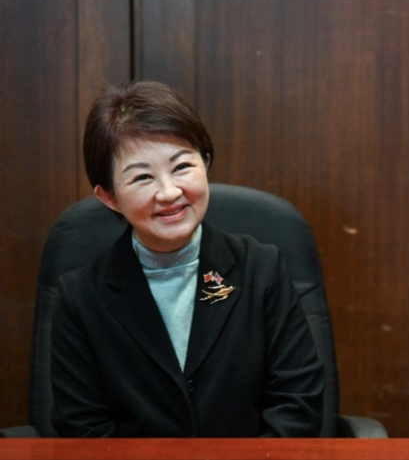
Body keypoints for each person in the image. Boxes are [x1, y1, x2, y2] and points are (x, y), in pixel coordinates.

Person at [50, 81, 324, 437]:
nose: (169, 192)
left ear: (205, 162)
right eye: (143, 177)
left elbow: (297, 406)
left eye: (181, 167)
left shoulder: (260, 268)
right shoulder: (80, 297)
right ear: (109, 197)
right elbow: (83, 428)